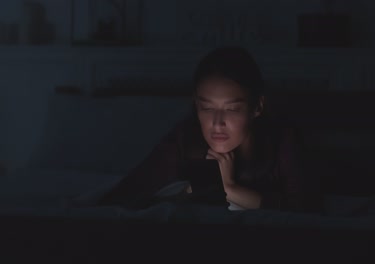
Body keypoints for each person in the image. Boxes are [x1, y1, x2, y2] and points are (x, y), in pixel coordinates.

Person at [96, 46, 322, 212]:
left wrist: (229, 188)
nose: (217, 122)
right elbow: (128, 193)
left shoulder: (283, 140)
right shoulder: (185, 138)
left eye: (232, 109)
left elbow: (305, 211)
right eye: (206, 108)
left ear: (257, 107)